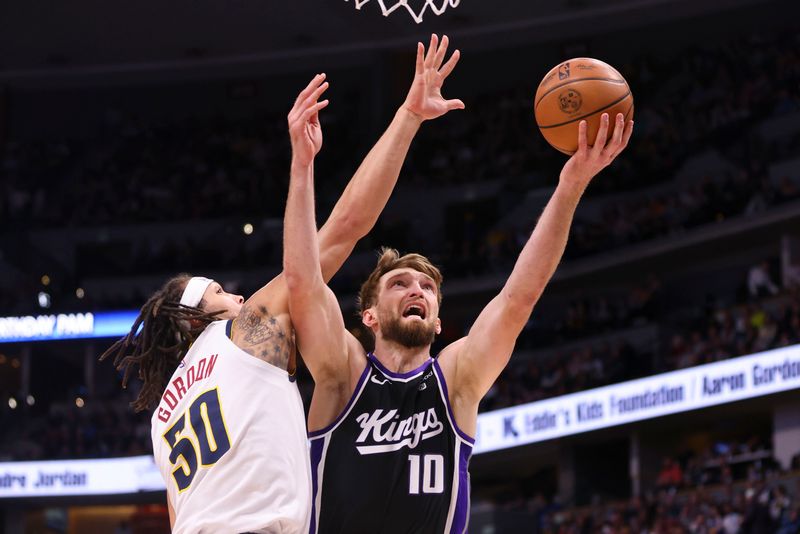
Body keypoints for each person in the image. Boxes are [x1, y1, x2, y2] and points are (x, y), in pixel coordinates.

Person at [100, 34, 463, 534]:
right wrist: (407, 118)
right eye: (222, 294)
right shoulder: (242, 334)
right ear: (193, 319)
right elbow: (348, 225)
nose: (242, 298)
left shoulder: (163, 419)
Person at [284, 56, 633, 533]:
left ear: (439, 322)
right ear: (367, 316)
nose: (417, 290)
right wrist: (302, 169)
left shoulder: (457, 378)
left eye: (427, 287)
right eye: (400, 284)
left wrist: (570, 186)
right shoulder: (343, 375)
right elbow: (303, 281)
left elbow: (518, 298)